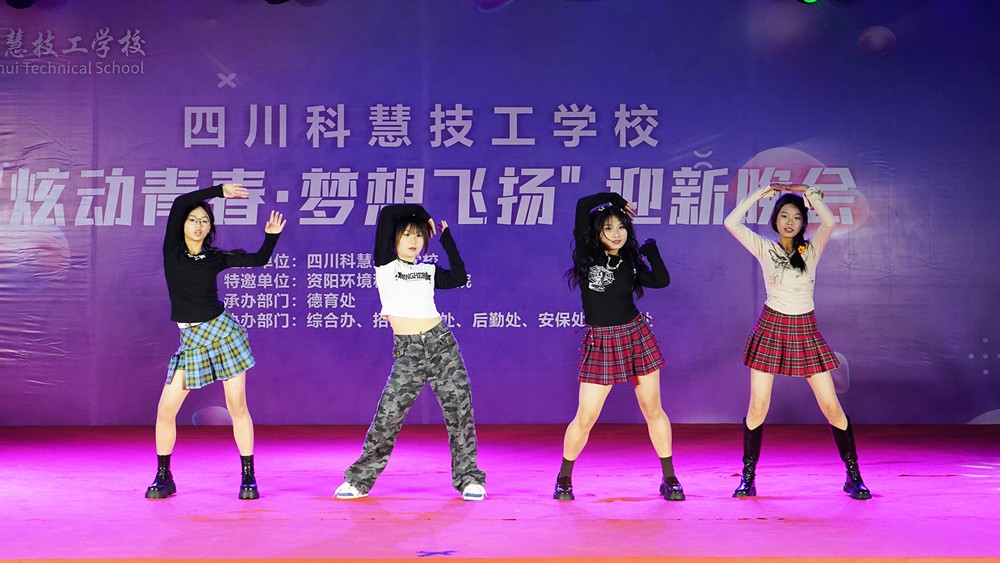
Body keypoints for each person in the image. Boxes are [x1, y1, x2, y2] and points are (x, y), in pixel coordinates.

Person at [724, 182, 871, 500]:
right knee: (758, 407)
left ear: (804, 222)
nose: (790, 222)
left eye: (796, 217)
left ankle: (853, 475)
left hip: (805, 330)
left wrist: (812, 197)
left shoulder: (811, 250)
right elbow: (731, 222)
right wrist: (758, 195)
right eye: (784, 216)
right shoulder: (765, 248)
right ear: (775, 219)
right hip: (771, 328)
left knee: (831, 407)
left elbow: (829, 222)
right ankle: (748, 477)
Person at [334, 203, 487, 501]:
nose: (414, 240)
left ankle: (469, 479)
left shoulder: (428, 270)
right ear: (394, 239)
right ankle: (359, 480)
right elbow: (387, 213)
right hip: (409, 352)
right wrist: (423, 214)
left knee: (460, 411)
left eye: (418, 235)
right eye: (406, 234)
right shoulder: (385, 266)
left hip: (441, 346)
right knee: (388, 415)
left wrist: (447, 239)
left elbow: (459, 277)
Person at [145, 183, 285, 500]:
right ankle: (164, 476)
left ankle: (248, 478)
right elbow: (181, 201)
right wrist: (220, 191)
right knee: (165, 410)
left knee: (237, 407)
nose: (198, 225)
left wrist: (271, 236)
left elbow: (258, 259)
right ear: (182, 224)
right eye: (193, 220)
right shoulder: (172, 251)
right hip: (193, 341)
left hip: (223, 335)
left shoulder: (214, 258)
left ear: (210, 228)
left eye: (204, 221)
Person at [554, 191, 684, 502]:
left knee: (653, 409)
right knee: (586, 417)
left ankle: (669, 478)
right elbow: (583, 205)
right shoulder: (586, 256)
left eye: (622, 227)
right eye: (609, 228)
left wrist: (650, 250)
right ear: (597, 233)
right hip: (601, 341)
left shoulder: (630, 262)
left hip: (636, 336)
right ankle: (564, 478)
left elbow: (661, 280)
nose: (616, 234)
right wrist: (614, 199)